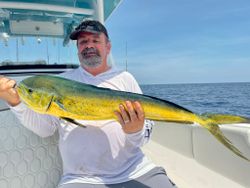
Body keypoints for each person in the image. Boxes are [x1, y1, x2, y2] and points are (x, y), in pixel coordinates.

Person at [0, 20, 176, 188]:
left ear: (108, 46)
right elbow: (45, 130)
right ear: (78, 50)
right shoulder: (61, 82)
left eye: (95, 40)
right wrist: (15, 102)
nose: (89, 45)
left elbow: (144, 137)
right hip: (81, 179)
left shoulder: (125, 79)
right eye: (83, 41)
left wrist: (135, 130)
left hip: (135, 170)